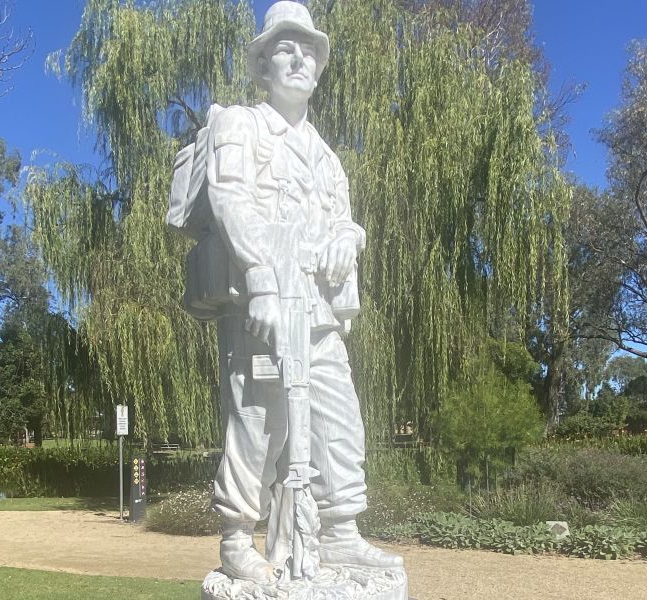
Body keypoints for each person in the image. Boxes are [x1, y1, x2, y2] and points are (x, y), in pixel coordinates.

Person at [197, 1, 402, 583]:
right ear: (263, 65)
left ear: (318, 68)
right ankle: (239, 535)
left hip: (317, 308)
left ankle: (339, 531)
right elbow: (230, 200)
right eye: (285, 49)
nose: (298, 59)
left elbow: (342, 219)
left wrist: (350, 238)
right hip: (261, 302)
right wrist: (260, 281)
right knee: (260, 418)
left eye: (308, 51)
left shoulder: (327, 156)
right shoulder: (238, 124)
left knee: (341, 418)